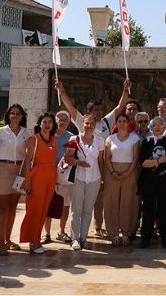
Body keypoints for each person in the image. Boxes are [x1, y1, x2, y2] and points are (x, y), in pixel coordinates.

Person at [55, 78, 130, 238]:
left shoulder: (106, 122)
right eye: (95, 110)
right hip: (80, 173)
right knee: (78, 206)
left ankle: (97, 227)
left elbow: (120, 107)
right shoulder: (83, 121)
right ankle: (77, 236)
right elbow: (70, 107)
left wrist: (125, 90)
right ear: (88, 112)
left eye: (100, 109)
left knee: (98, 202)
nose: (99, 112)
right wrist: (61, 91)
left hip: (101, 170)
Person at [0, 104, 29, 255]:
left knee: (13, 208)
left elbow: (28, 155)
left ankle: (7, 239)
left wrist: (26, 174)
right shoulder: (0, 132)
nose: (16, 115)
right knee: (3, 208)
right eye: (13, 113)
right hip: (3, 169)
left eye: (18, 113)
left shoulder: (26, 133)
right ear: (8, 115)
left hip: (19, 170)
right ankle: (0, 243)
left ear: (22, 115)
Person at [19, 113, 58, 254]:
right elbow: (27, 160)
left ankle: (37, 239)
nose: (47, 125)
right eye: (44, 122)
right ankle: (32, 241)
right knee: (35, 209)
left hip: (50, 176)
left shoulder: (54, 140)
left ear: (53, 125)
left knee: (43, 209)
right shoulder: (33, 139)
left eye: (50, 122)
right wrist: (27, 180)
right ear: (40, 124)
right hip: (37, 176)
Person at [65, 116, 105, 251]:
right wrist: (78, 163)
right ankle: (75, 238)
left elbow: (101, 161)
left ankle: (84, 237)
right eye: (87, 123)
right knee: (76, 210)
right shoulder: (73, 140)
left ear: (95, 125)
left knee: (88, 210)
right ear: (82, 124)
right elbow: (67, 158)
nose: (89, 125)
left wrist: (103, 178)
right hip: (78, 177)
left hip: (94, 178)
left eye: (92, 123)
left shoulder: (99, 141)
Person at [103, 113, 140, 246]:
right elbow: (106, 157)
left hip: (129, 172)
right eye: (119, 121)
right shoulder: (110, 138)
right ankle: (113, 233)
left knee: (127, 202)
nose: (122, 123)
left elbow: (136, 157)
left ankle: (126, 233)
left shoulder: (134, 138)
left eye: (124, 121)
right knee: (111, 201)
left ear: (128, 123)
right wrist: (112, 171)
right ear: (116, 123)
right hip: (112, 171)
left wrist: (128, 172)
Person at [139, 116, 166, 248]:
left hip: (165, 180)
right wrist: (158, 161)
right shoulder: (146, 142)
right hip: (149, 180)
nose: (158, 127)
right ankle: (145, 238)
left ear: (164, 127)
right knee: (148, 209)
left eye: (160, 124)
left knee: (164, 209)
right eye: (155, 125)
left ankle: (165, 238)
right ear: (151, 127)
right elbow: (143, 162)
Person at [43, 110, 74, 245]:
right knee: (47, 205)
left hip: (65, 176)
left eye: (65, 120)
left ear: (69, 122)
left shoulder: (72, 138)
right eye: (59, 119)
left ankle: (62, 231)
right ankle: (46, 233)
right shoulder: (48, 136)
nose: (62, 122)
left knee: (65, 204)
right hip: (48, 174)